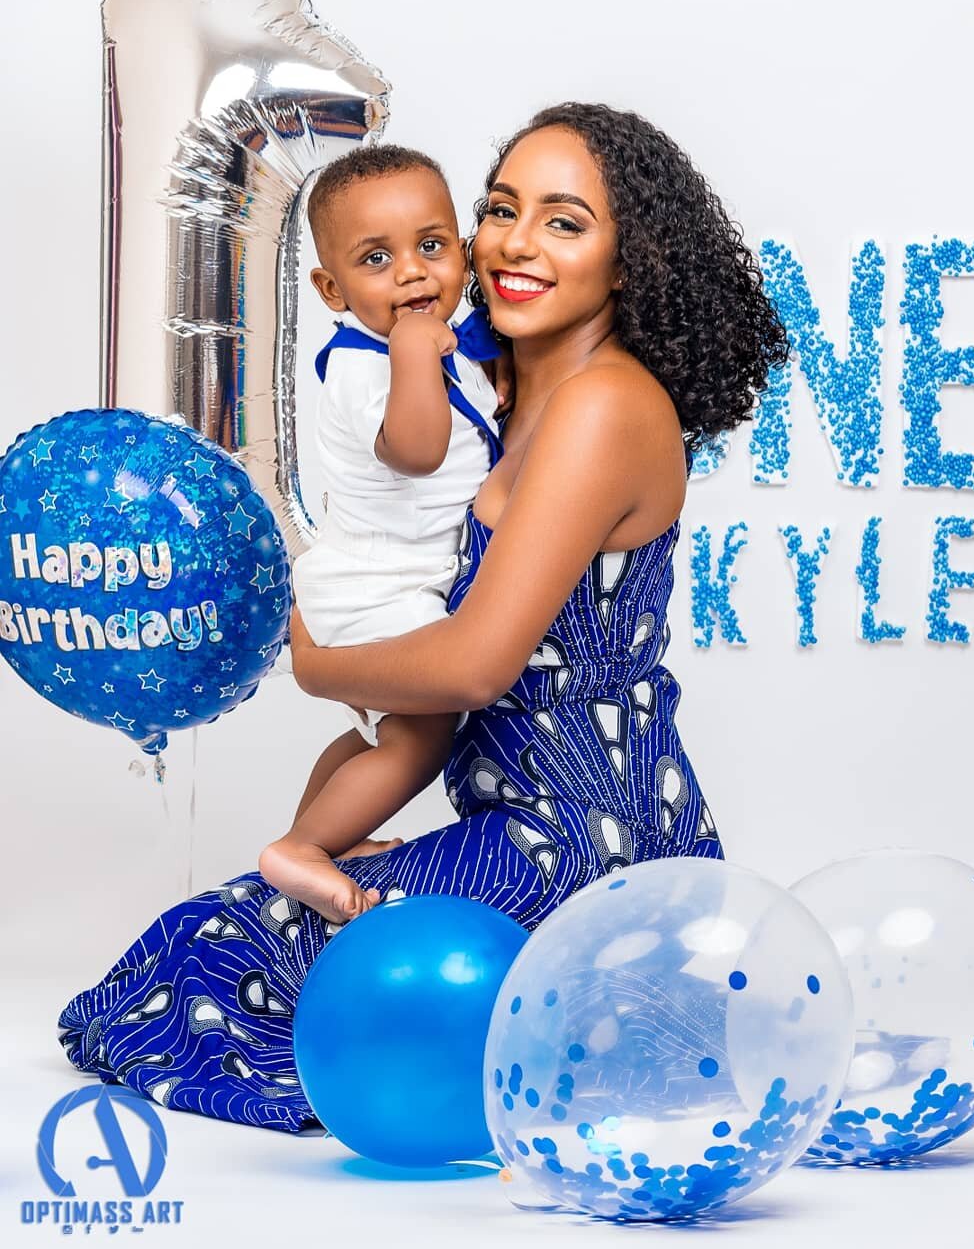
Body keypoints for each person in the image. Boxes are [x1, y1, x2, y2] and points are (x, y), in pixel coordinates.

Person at [57, 103, 790, 1132]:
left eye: (565, 222)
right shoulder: (503, 382)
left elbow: (475, 668)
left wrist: (311, 660)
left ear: (629, 261)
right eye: (500, 210)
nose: (517, 243)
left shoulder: (603, 408)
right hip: (518, 822)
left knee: (211, 953)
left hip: (588, 849)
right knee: (241, 929)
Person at [260, 144, 509, 927]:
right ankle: (303, 848)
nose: (411, 273)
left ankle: (322, 836)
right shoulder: (367, 368)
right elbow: (418, 449)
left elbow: (476, 387)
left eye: (431, 247)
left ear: (463, 255)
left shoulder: (446, 341)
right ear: (332, 289)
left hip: (394, 580)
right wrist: (411, 354)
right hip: (376, 586)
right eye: (377, 258)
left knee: (381, 735)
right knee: (424, 735)